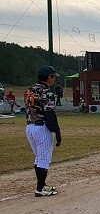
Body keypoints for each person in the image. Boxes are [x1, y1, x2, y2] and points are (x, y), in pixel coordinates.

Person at [24, 66, 61, 196]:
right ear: (49, 77)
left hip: (30, 127)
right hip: (41, 128)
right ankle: (40, 188)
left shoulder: (30, 89)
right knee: (44, 158)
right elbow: (50, 114)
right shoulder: (46, 92)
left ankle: (42, 185)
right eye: (53, 76)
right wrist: (57, 131)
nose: (54, 79)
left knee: (39, 157)